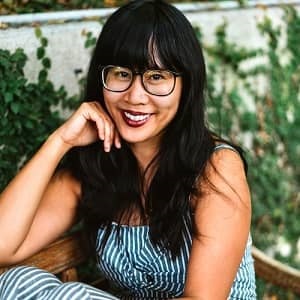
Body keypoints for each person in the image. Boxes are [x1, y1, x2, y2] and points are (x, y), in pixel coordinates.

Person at [0, 0, 256, 299]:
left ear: (187, 85)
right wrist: (59, 142)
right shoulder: (94, 169)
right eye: (122, 74)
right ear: (102, 79)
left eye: (156, 77)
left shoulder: (216, 167)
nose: (135, 96)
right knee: (18, 279)